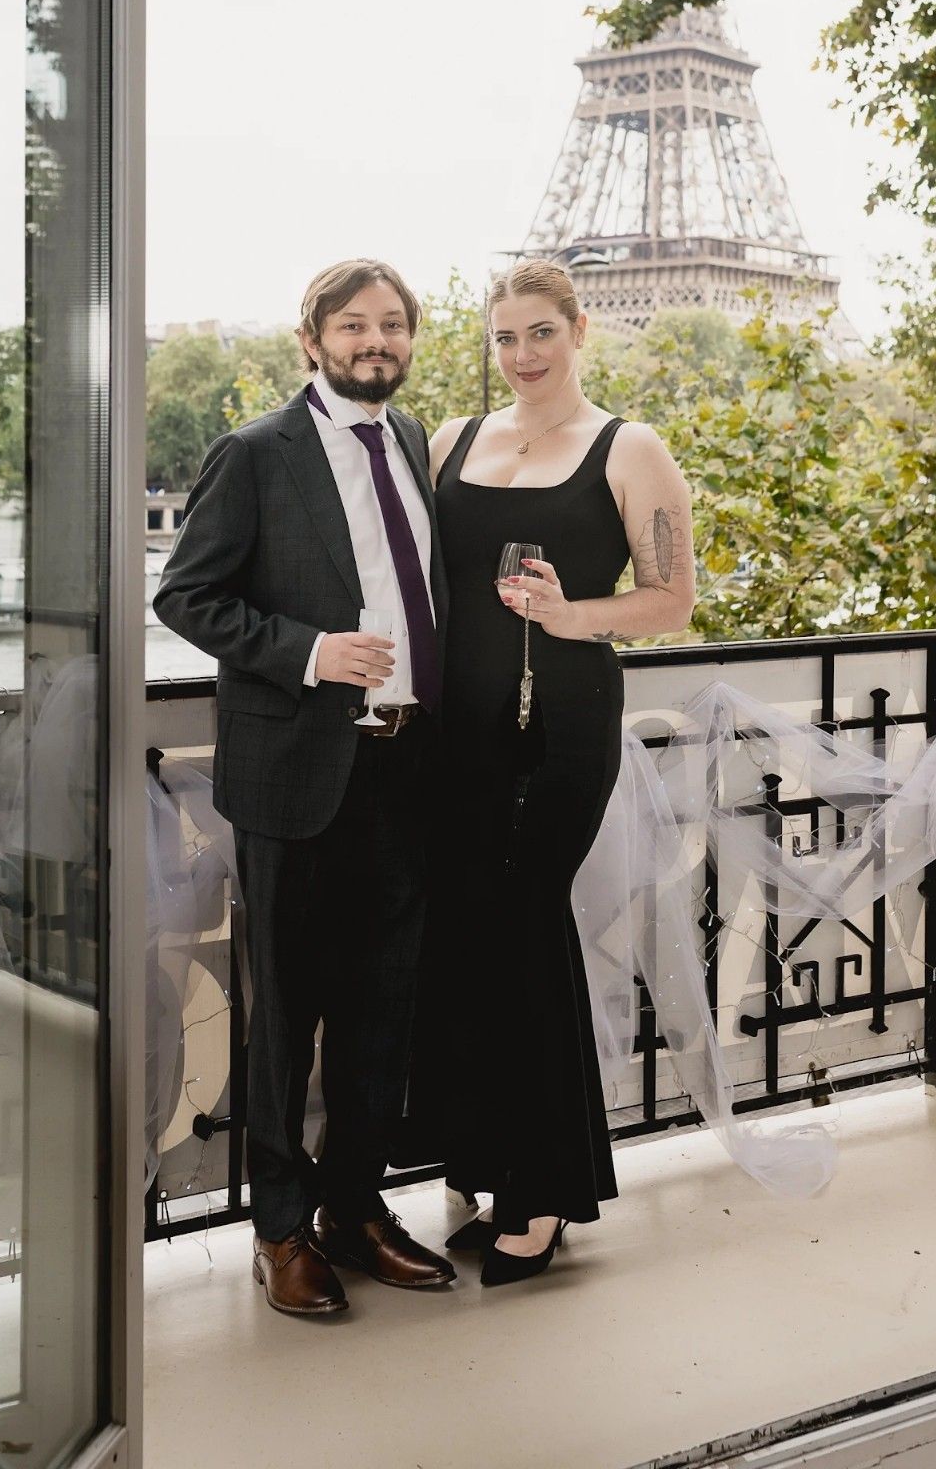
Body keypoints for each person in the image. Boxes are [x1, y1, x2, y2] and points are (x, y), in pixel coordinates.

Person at [153, 259, 456, 1318]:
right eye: (353, 324)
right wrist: (308, 648)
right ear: (312, 338)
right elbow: (186, 594)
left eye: (391, 325)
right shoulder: (254, 452)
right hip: (296, 772)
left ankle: (354, 1208)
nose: (375, 340)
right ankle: (278, 1228)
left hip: (405, 768)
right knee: (285, 1016)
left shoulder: (411, 437)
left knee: (384, 1010)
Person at [428, 258, 696, 1287]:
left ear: (580, 328)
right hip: (455, 734)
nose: (522, 356)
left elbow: (671, 599)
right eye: (504, 337)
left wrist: (568, 614)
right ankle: (499, 1169)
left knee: (527, 926)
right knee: (474, 944)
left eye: (540, 332)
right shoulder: (451, 441)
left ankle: (542, 1191)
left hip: (561, 727)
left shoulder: (630, 449)